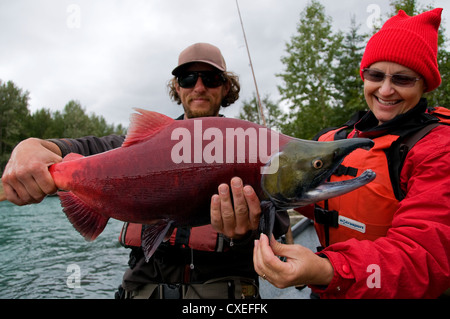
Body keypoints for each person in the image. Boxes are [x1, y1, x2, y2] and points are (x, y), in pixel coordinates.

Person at [1, 42, 289, 299]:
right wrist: (34, 146)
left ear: (226, 87)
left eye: (211, 78)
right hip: (142, 289)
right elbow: (84, 149)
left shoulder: (253, 148)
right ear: (177, 87)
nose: (199, 87)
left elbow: (280, 226)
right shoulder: (138, 148)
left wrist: (250, 232)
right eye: (188, 78)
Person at [212, 8, 450, 298]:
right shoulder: (332, 140)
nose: (386, 90)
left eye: (403, 79)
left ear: (425, 83)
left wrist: (327, 270)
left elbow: (424, 259)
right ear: (364, 76)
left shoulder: (439, 149)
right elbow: (292, 194)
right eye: (375, 75)